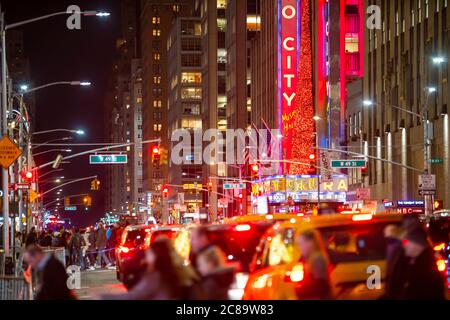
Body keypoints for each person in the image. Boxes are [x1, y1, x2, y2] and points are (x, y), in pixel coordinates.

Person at [98, 237, 197, 300]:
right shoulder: (180, 270)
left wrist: (102, 297)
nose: (147, 257)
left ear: (156, 256)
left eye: (149, 254)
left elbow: (134, 295)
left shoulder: (157, 275)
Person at [396, 226, 446, 299]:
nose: (403, 246)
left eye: (405, 242)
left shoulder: (426, 269)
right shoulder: (416, 262)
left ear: (417, 243)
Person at [295, 230, 332, 300]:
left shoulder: (317, 258)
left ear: (310, 243)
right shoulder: (311, 258)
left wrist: (300, 291)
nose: (300, 248)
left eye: (301, 244)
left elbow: (321, 285)